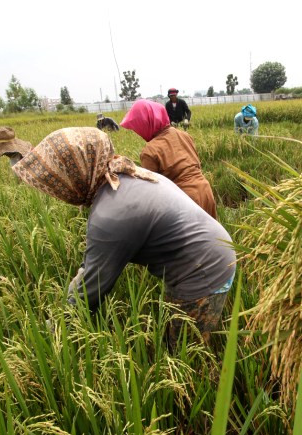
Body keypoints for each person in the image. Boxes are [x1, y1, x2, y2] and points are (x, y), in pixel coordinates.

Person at [12, 127, 236, 344]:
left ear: (75, 174)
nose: (57, 190)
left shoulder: (111, 214)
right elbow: (93, 264)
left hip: (204, 270)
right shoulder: (128, 174)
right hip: (210, 254)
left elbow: (92, 289)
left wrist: (54, 330)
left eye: (58, 180)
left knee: (184, 352)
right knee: (174, 331)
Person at [121, 99, 218, 219]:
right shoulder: (184, 135)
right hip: (205, 191)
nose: (138, 133)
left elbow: (153, 190)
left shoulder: (150, 151)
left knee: (191, 237)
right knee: (212, 236)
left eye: (138, 128)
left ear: (147, 123)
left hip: (184, 200)